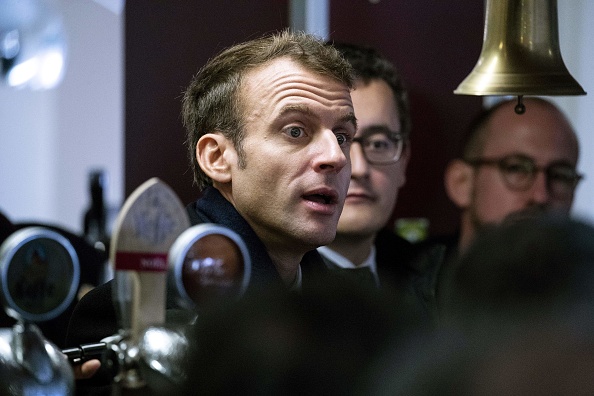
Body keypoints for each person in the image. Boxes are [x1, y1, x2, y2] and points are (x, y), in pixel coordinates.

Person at [65, 30, 358, 393]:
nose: (336, 157)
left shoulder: (350, 304)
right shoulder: (141, 310)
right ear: (218, 158)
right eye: (296, 131)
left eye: (343, 136)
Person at [420, 97, 584, 319]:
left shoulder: (583, 306)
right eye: (516, 168)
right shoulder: (404, 292)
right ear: (461, 183)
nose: (541, 195)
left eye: (560, 176)